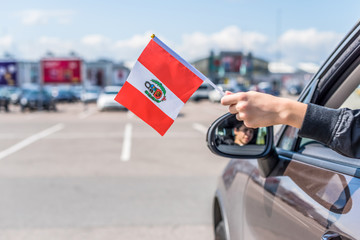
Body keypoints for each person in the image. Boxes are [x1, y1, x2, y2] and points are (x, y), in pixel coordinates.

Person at [221, 91, 360, 158]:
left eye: (250, 131)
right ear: (235, 132)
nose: (248, 134)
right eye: (245, 131)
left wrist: (282, 110)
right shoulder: (225, 144)